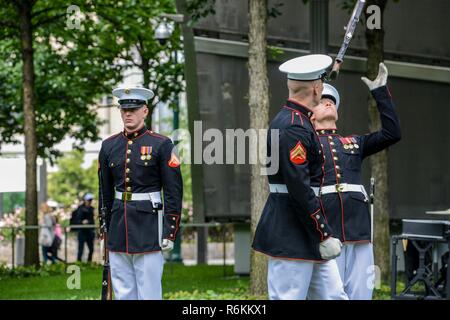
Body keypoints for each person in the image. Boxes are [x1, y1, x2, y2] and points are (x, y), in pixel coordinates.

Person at [252, 54, 347, 300]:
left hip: (305, 228)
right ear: (317, 88)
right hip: (292, 229)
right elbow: (299, 188)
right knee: (288, 297)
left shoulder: (296, 120)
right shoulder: (294, 125)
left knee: (334, 295)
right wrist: (323, 232)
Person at [311, 63, 401, 299]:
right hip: (327, 232)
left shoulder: (353, 142)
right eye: (321, 100)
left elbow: (393, 134)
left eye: (331, 101)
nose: (328, 102)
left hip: (359, 231)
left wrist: (380, 92)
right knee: (331, 294)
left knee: (362, 292)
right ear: (310, 113)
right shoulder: (306, 143)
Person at [98, 87, 183, 300]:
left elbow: (173, 191)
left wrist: (169, 231)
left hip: (149, 227)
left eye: (134, 109)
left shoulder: (162, 144)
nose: (128, 113)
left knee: (149, 292)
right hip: (118, 226)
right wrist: (104, 228)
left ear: (145, 111)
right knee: (123, 291)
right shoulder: (109, 146)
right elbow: (104, 192)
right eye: (124, 109)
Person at [73, 193, 96, 262]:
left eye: (90, 200)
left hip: (89, 231)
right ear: (85, 200)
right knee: (81, 249)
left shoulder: (92, 209)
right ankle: (79, 262)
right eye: (88, 200)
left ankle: (89, 262)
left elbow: (92, 220)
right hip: (82, 231)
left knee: (91, 249)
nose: (90, 201)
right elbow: (76, 220)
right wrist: (82, 222)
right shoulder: (80, 208)